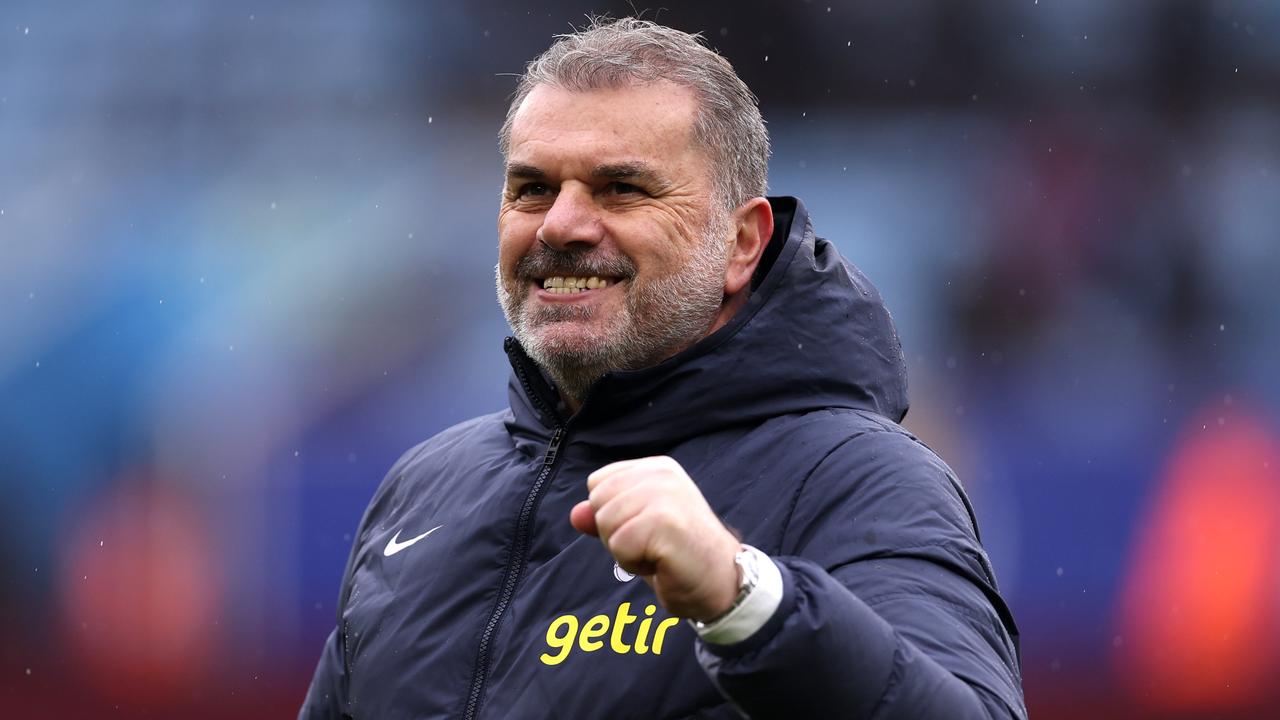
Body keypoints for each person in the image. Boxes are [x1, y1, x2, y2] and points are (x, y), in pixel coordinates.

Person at [301, 17, 1025, 720]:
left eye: (621, 189)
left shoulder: (854, 480)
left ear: (742, 244)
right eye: (532, 188)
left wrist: (746, 599)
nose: (560, 224)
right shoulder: (422, 491)